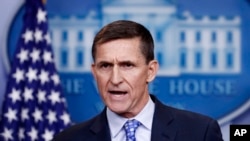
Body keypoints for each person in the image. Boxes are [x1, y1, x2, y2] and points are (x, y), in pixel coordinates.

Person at [52, 20, 223, 141]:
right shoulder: (68, 139)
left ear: (150, 71)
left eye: (127, 65)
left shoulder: (200, 132)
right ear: (94, 72)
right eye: (105, 66)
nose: (115, 79)